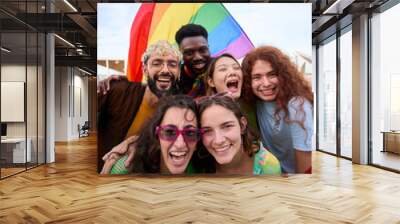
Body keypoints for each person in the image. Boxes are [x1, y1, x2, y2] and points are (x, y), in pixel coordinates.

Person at [97, 40, 182, 172]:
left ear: (179, 72)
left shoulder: (178, 109)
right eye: (157, 63)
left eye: (172, 64)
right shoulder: (117, 91)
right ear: (145, 69)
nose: (165, 70)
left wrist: (137, 140)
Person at [241, 46, 314, 174]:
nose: (266, 83)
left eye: (272, 75)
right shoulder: (253, 102)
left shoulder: (297, 105)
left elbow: (305, 170)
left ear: (284, 76)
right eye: (257, 77)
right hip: (272, 175)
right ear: (248, 81)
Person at [97, 24, 212, 98]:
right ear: (181, 54)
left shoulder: (220, 68)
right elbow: (150, 89)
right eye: (189, 52)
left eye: (203, 50)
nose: (198, 57)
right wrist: (121, 86)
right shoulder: (172, 79)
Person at [101, 95, 202, 174]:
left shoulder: (203, 170)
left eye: (190, 133)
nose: (180, 144)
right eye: (169, 132)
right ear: (156, 136)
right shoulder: (124, 170)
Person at [197, 95, 281, 175]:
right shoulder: (195, 165)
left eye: (227, 126)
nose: (219, 140)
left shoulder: (268, 166)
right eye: (207, 131)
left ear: (242, 125)